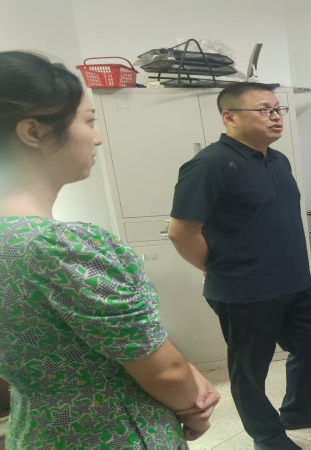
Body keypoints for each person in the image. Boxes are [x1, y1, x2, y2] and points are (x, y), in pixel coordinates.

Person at [0, 51, 220, 449]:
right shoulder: (62, 246)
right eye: (88, 121)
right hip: (111, 431)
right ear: (34, 132)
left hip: (35, 430)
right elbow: (165, 373)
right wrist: (194, 403)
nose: (97, 137)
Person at [168, 83, 311, 450]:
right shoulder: (208, 165)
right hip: (244, 290)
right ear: (229, 117)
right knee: (250, 370)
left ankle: (298, 409)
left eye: (278, 109)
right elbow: (181, 232)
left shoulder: (277, 160)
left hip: (293, 282)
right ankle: (266, 436)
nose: (275, 117)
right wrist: (215, 267)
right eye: (264, 110)